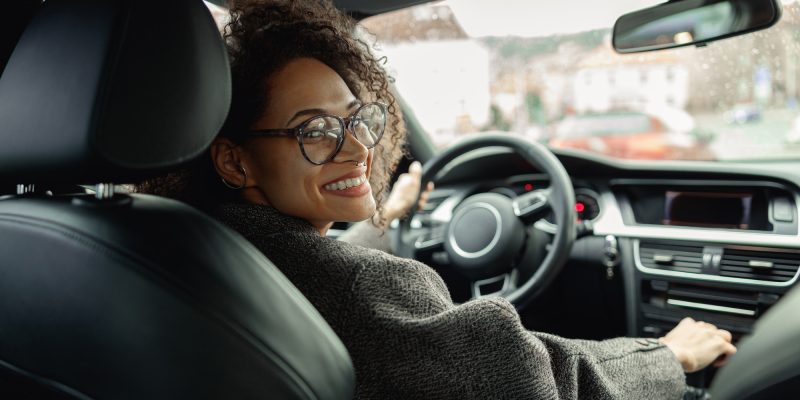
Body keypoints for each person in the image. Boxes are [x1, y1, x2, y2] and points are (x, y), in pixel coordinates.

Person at [138, 1, 736, 398]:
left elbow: (319, 274)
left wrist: (388, 217)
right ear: (234, 159)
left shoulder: (176, 244)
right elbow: (528, 378)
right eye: (314, 131)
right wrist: (666, 355)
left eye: (359, 120)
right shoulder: (365, 290)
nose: (357, 151)